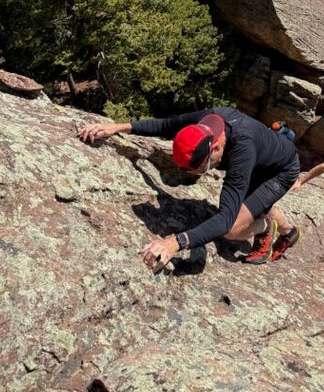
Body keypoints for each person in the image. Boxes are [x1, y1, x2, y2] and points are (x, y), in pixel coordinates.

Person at [78, 106, 301, 269]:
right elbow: (165, 124)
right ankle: (289, 233)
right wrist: (117, 127)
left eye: (202, 169)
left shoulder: (242, 150)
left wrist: (176, 242)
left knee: (233, 229)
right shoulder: (206, 120)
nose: (197, 175)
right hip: (266, 155)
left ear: (215, 148)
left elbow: (224, 220)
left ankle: (265, 227)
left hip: (280, 170)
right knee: (253, 202)